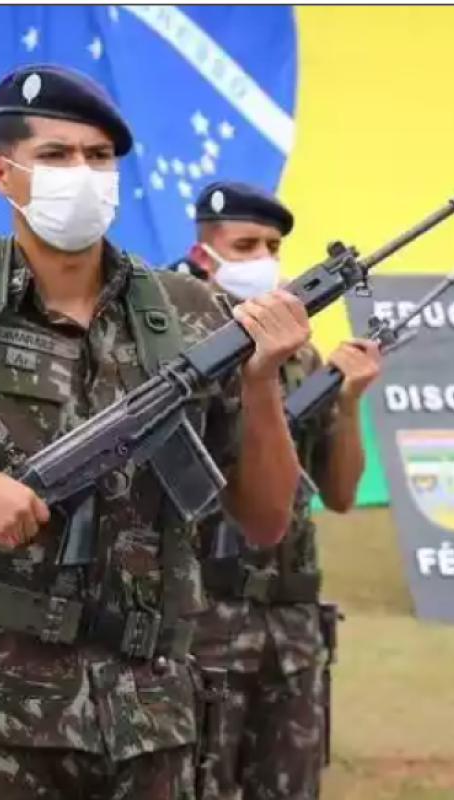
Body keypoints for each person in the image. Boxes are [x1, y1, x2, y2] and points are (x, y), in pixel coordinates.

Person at [0, 64, 311, 799]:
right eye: (56, 157)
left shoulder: (192, 314)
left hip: (151, 716)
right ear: (2, 174)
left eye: (99, 157)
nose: (82, 175)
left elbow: (266, 517)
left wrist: (260, 380)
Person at [173, 181, 381, 800]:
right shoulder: (178, 350)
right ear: (204, 255)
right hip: (206, 615)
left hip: (291, 620)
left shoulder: (300, 360)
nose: (263, 257)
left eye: (272, 245)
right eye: (246, 244)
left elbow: (340, 493)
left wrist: (347, 401)